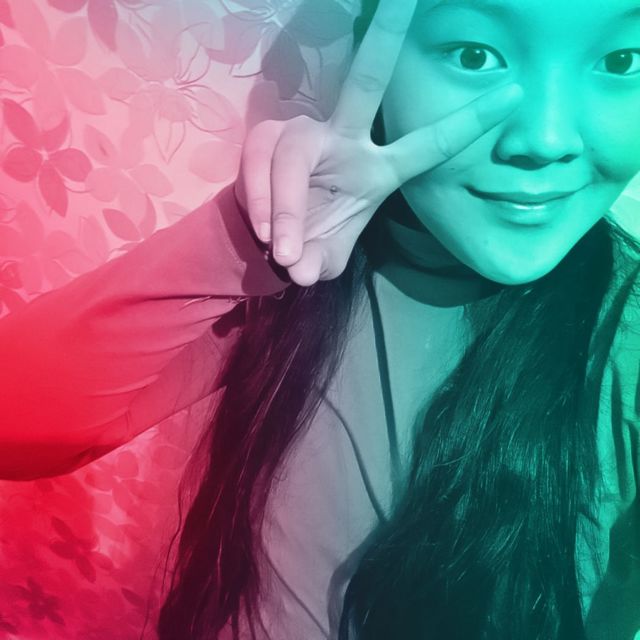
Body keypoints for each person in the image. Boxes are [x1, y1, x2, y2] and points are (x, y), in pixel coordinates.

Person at [1, 0, 639, 638]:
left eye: (622, 61)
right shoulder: (292, 269)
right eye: (474, 56)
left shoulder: (625, 340)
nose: (547, 139)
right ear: (375, 61)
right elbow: (16, 427)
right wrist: (249, 240)